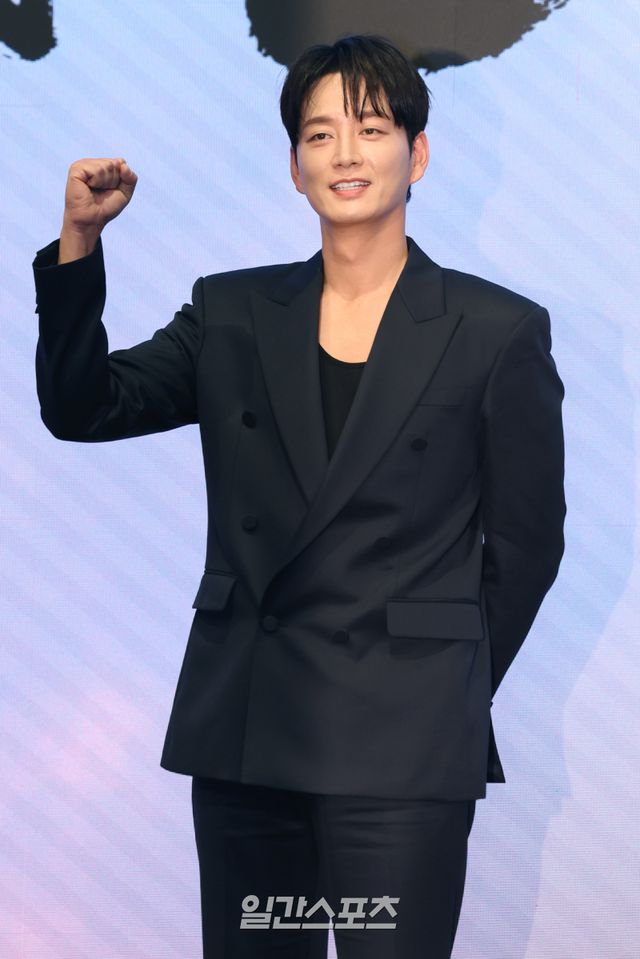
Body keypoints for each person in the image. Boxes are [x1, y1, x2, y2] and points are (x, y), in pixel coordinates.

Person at [32, 33, 565, 959]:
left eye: (371, 128)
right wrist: (80, 244)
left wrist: (443, 682)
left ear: (417, 154)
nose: (345, 154)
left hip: (402, 747)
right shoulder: (232, 313)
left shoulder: (495, 329)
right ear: (294, 167)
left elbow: (527, 545)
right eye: (320, 135)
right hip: (251, 734)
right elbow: (84, 407)